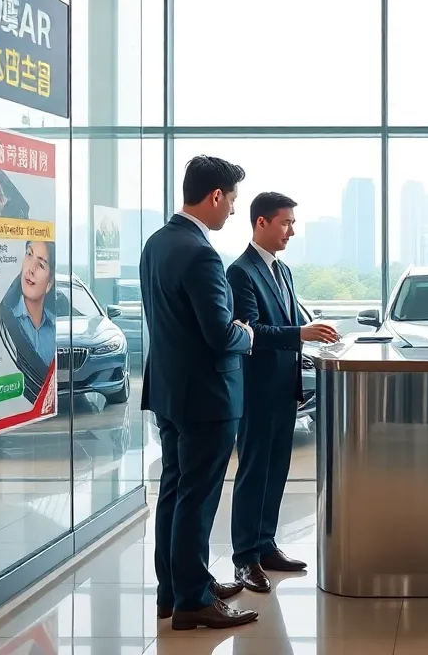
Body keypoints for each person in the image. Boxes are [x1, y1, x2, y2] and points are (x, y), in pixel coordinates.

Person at [139, 155, 258, 630]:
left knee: (174, 490)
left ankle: (175, 588)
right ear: (214, 196)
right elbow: (219, 333)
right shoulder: (202, 253)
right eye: (231, 200)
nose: (232, 211)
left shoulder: (156, 244)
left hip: (169, 391)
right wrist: (246, 334)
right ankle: (192, 599)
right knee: (197, 497)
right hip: (207, 397)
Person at [227, 192, 339, 593]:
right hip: (257, 389)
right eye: (285, 222)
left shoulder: (284, 271)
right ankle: (244, 558)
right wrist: (301, 334)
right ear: (261, 223)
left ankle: (265, 544)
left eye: (292, 222)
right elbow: (251, 332)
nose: (292, 229)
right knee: (254, 472)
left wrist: (308, 337)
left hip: (283, 389)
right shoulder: (240, 272)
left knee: (276, 471)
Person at [10, 240, 55, 366]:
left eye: (41, 265)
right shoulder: (9, 319)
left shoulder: (55, 327)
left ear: (49, 284)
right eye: (29, 254)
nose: (31, 269)